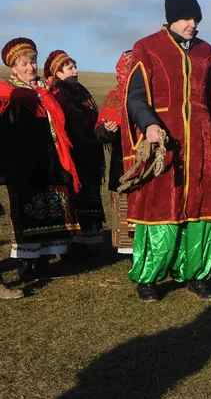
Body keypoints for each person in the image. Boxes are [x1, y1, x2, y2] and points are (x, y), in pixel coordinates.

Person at [122, 0, 211, 302]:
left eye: (195, 18)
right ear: (171, 18)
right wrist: (150, 124)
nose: (192, 24)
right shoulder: (148, 47)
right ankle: (149, 278)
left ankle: (198, 275)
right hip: (165, 142)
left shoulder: (206, 51)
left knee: (203, 208)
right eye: (186, 18)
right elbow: (135, 96)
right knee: (161, 208)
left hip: (203, 141)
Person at [0, 38, 81, 282]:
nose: (31, 67)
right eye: (24, 63)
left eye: (33, 61)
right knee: (25, 211)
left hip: (51, 161)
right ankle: (27, 263)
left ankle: (45, 261)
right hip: (23, 162)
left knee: (52, 211)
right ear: (13, 68)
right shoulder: (7, 94)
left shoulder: (46, 92)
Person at [44, 50, 105, 252]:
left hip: (88, 152)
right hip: (70, 155)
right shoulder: (56, 93)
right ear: (57, 73)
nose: (76, 70)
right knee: (72, 198)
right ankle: (73, 245)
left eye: (75, 66)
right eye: (69, 67)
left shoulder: (82, 91)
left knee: (88, 195)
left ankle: (88, 242)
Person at [95, 50, 134, 255]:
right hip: (123, 162)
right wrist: (107, 131)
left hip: (151, 161)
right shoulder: (115, 97)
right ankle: (129, 250)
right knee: (126, 203)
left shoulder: (155, 92)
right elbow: (100, 133)